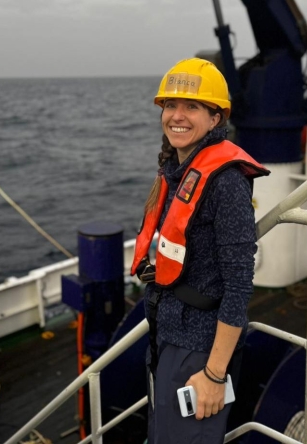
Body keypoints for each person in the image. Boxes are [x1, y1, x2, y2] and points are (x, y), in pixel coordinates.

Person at [130, 58, 270, 444]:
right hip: (167, 332)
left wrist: (213, 374)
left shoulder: (226, 183)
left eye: (192, 106)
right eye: (170, 105)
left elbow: (239, 285)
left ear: (215, 118)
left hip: (199, 351)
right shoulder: (176, 171)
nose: (177, 116)